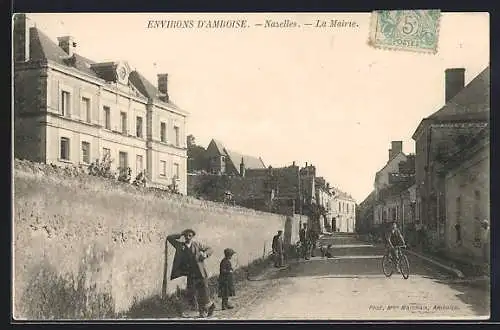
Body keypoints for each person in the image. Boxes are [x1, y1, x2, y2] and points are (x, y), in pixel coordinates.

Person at [167, 229, 216, 318]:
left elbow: (210, 249)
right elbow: (169, 238)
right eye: (186, 235)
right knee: (193, 293)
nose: (188, 237)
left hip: (200, 273)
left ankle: (203, 311)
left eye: (190, 235)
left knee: (203, 292)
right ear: (184, 236)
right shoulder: (180, 245)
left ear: (193, 236)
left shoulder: (197, 244)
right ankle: (208, 306)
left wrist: (205, 254)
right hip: (190, 274)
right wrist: (180, 234)